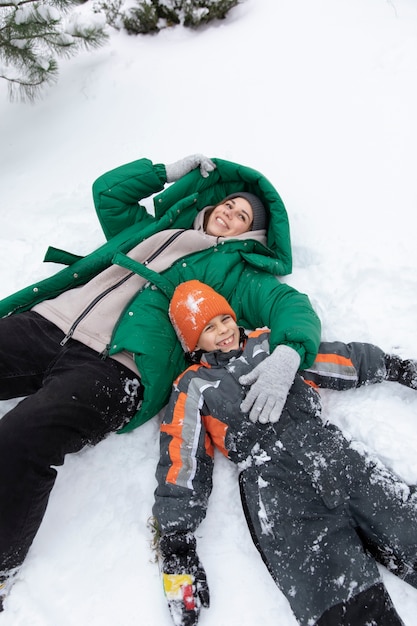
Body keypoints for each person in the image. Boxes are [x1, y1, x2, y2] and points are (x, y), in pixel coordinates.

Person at [0, 154, 322, 610]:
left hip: (117, 368)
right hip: (50, 322)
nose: (230, 213)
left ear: (251, 234)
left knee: (22, 437)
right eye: (230, 204)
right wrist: (166, 172)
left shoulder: (234, 270)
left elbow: (291, 305)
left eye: (243, 217)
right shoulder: (155, 229)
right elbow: (108, 192)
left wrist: (290, 350)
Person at [152, 280, 417, 626]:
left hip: (333, 455)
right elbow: (182, 457)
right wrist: (176, 539)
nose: (222, 332)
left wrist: (394, 366)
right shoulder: (193, 387)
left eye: (224, 320)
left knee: (404, 522)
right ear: (192, 344)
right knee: (338, 596)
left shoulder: (269, 344)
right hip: (279, 495)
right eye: (207, 329)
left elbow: (335, 359)